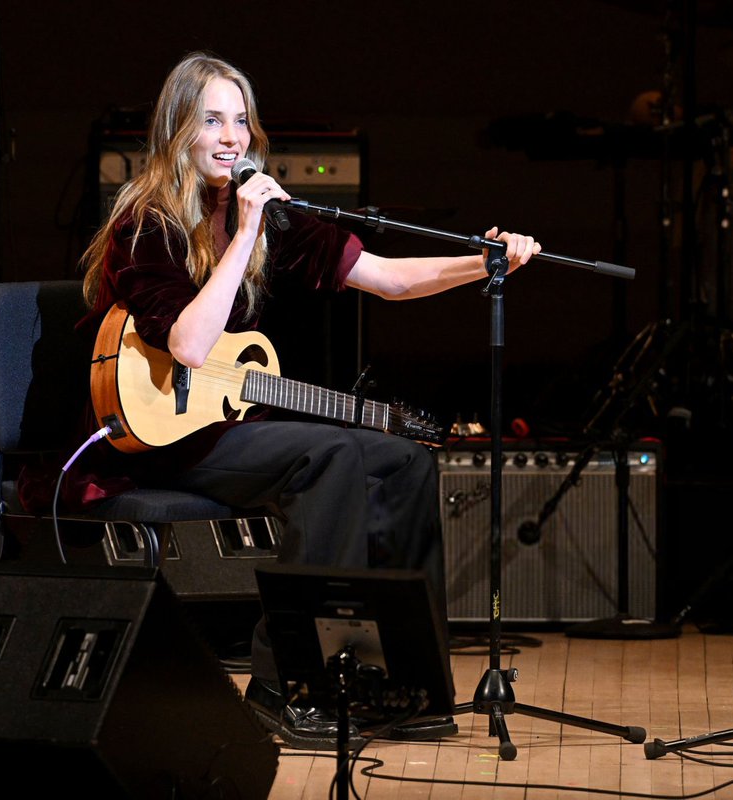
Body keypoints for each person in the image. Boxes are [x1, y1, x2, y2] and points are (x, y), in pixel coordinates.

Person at [63, 51, 540, 750]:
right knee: (332, 454)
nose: (231, 137)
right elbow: (190, 345)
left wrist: (486, 263)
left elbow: (388, 281)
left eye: (241, 121)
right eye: (211, 120)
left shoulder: (261, 210)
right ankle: (286, 683)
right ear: (177, 130)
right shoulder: (148, 220)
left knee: (402, 461)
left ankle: (400, 679)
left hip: (221, 427)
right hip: (154, 440)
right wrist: (245, 235)